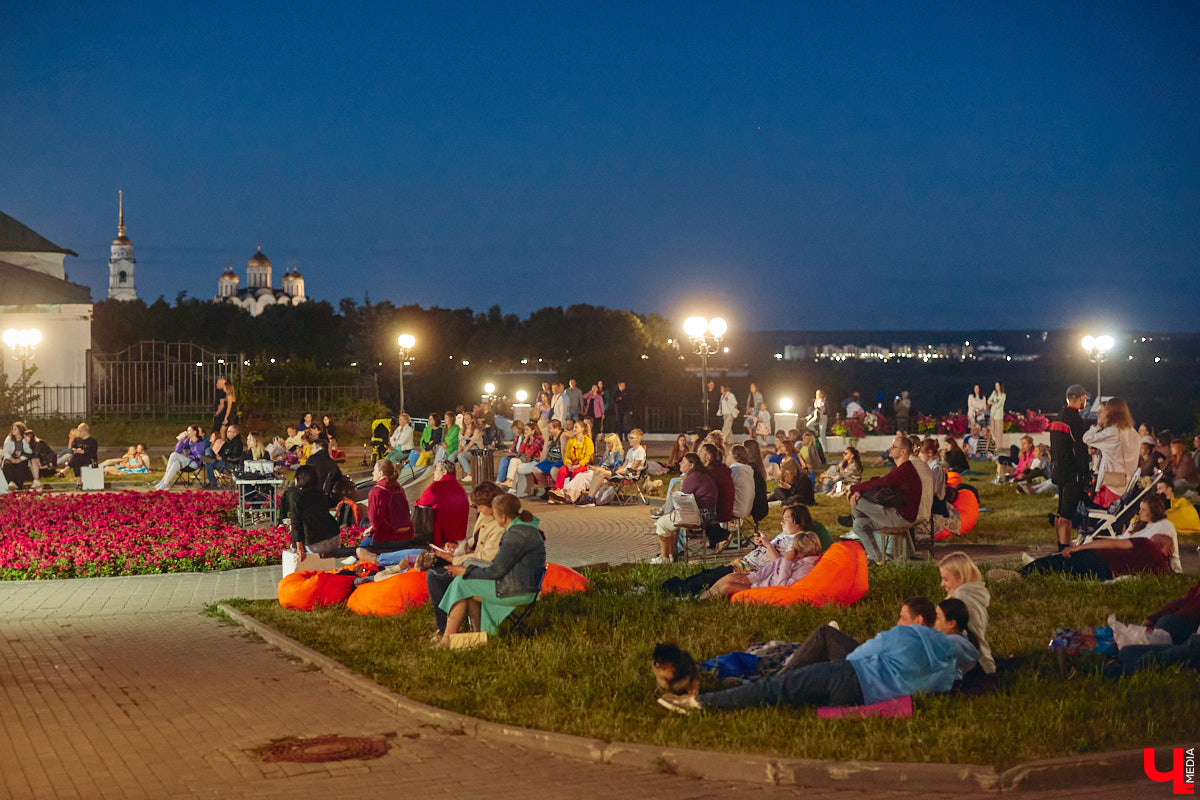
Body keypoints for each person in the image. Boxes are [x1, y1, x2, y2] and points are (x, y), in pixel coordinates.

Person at [657, 596, 977, 714]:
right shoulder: (949, 660)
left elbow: (861, 655)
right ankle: (727, 690)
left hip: (849, 677)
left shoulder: (909, 635)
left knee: (777, 688)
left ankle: (700, 703)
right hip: (862, 697)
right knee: (785, 694)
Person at [435, 492, 546, 645]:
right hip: (524, 585)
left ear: (502, 517)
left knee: (462, 582)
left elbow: (497, 570)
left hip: (518, 590)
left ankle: (447, 639)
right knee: (467, 583)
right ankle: (478, 637)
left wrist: (466, 571)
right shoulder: (524, 529)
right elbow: (501, 567)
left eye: (494, 513)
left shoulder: (515, 535)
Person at [425, 482, 508, 635]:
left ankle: (445, 630)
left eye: (481, 506)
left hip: (485, 571)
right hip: (472, 562)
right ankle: (450, 625)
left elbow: (486, 557)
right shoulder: (485, 516)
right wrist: (457, 547)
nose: (479, 510)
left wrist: (454, 559)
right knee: (435, 566)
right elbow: (475, 541)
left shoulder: (500, 526)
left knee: (435, 576)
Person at [838, 435, 928, 564]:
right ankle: (878, 559)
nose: (890, 449)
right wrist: (859, 490)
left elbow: (882, 482)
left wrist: (854, 489)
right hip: (896, 514)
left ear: (903, 452)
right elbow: (882, 482)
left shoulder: (905, 470)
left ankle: (854, 527)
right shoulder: (900, 468)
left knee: (857, 501)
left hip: (901, 517)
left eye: (894, 447)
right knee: (859, 525)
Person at [697, 530, 822, 600]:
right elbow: (773, 568)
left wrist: (788, 560)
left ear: (799, 552)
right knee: (731, 577)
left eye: (792, 547)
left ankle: (699, 603)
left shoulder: (805, 568)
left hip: (766, 590)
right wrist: (750, 578)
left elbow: (782, 586)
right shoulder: (799, 561)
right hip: (762, 581)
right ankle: (700, 597)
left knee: (727, 586)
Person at [651, 453, 717, 564]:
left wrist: (670, 511)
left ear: (691, 465)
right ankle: (670, 555)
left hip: (699, 516)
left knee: (662, 523)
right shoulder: (702, 475)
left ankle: (665, 557)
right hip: (709, 513)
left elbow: (681, 500)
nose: (680, 463)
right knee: (668, 524)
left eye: (684, 462)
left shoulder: (692, 478)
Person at [354, 458, 422, 564]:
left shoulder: (376, 491)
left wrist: (371, 528)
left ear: (381, 473)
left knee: (359, 551)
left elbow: (374, 519)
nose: (372, 472)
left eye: (374, 470)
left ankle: (373, 564)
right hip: (407, 534)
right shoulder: (398, 487)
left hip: (387, 538)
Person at [1019, 534, 1174, 580]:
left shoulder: (1145, 543)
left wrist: (1079, 547)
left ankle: (1018, 574)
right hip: (1104, 575)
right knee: (1064, 572)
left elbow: (1111, 544)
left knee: (1055, 562)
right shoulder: (1161, 570)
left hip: (1099, 559)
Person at [1049, 384, 1091, 550]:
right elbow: (1080, 450)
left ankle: (1060, 546)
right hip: (1072, 474)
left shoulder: (1057, 418)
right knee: (1067, 515)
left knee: (1060, 513)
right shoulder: (1076, 420)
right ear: (1080, 398)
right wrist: (1085, 474)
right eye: (1085, 398)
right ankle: (1064, 551)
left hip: (1058, 471)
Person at [938, 552, 995, 674]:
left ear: (960, 577)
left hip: (971, 666)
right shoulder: (975, 596)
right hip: (982, 661)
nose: (942, 584)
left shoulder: (960, 602)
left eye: (945, 579)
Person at [1082, 397, 1139, 509]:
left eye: (1105, 410)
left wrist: (1097, 425)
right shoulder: (1132, 431)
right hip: (1127, 480)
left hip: (1112, 482)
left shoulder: (1113, 431)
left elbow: (1087, 438)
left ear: (1112, 412)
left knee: (1106, 518)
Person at [285, 465, 341, 559]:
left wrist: (299, 548)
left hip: (316, 544)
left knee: (293, 547)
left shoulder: (296, 495)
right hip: (334, 537)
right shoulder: (320, 493)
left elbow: (296, 522)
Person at [1118, 495, 1182, 573]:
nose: (1139, 512)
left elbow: (1155, 555)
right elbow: (1122, 539)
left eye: (1143, 510)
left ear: (1153, 511)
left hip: (1148, 568)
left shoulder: (1164, 526)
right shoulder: (1138, 523)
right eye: (1140, 509)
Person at [415, 461, 470, 547]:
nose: (434, 472)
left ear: (444, 472)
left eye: (436, 470)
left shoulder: (436, 487)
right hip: (460, 536)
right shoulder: (460, 488)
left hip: (442, 538)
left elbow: (419, 504)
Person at [553, 420, 594, 490]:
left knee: (576, 472)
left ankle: (572, 492)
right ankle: (557, 491)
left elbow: (588, 457)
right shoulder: (571, 440)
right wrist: (568, 464)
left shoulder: (588, 440)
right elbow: (567, 455)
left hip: (583, 465)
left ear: (582, 429)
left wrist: (578, 465)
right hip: (572, 464)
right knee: (562, 471)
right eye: (574, 427)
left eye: (576, 427)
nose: (574, 429)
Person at [3, 422, 38, 491]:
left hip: (22, 458)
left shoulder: (25, 439)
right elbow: (5, 452)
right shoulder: (9, 438)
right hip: (10, 458)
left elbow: (29, 451)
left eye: (15, 429)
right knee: (8, 465)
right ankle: (11, 482)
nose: (13, 430)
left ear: (20, 430)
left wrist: (20, 458)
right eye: (12, 429)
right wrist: (12, 459)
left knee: (21, 467)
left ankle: (18, 486)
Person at [66, 423, 99, 489]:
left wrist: (83, 451)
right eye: (78, 431)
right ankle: (79, 483)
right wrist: (75, 450)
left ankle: (65, 471)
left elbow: (93, 454)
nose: (78, 433)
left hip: (89, 459)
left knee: (76, 457)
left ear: (86, 431)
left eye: (80, 431)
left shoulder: (93, 441)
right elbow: (72, 448)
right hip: (78, 459)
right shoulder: (77, 440)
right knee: (76, 459)